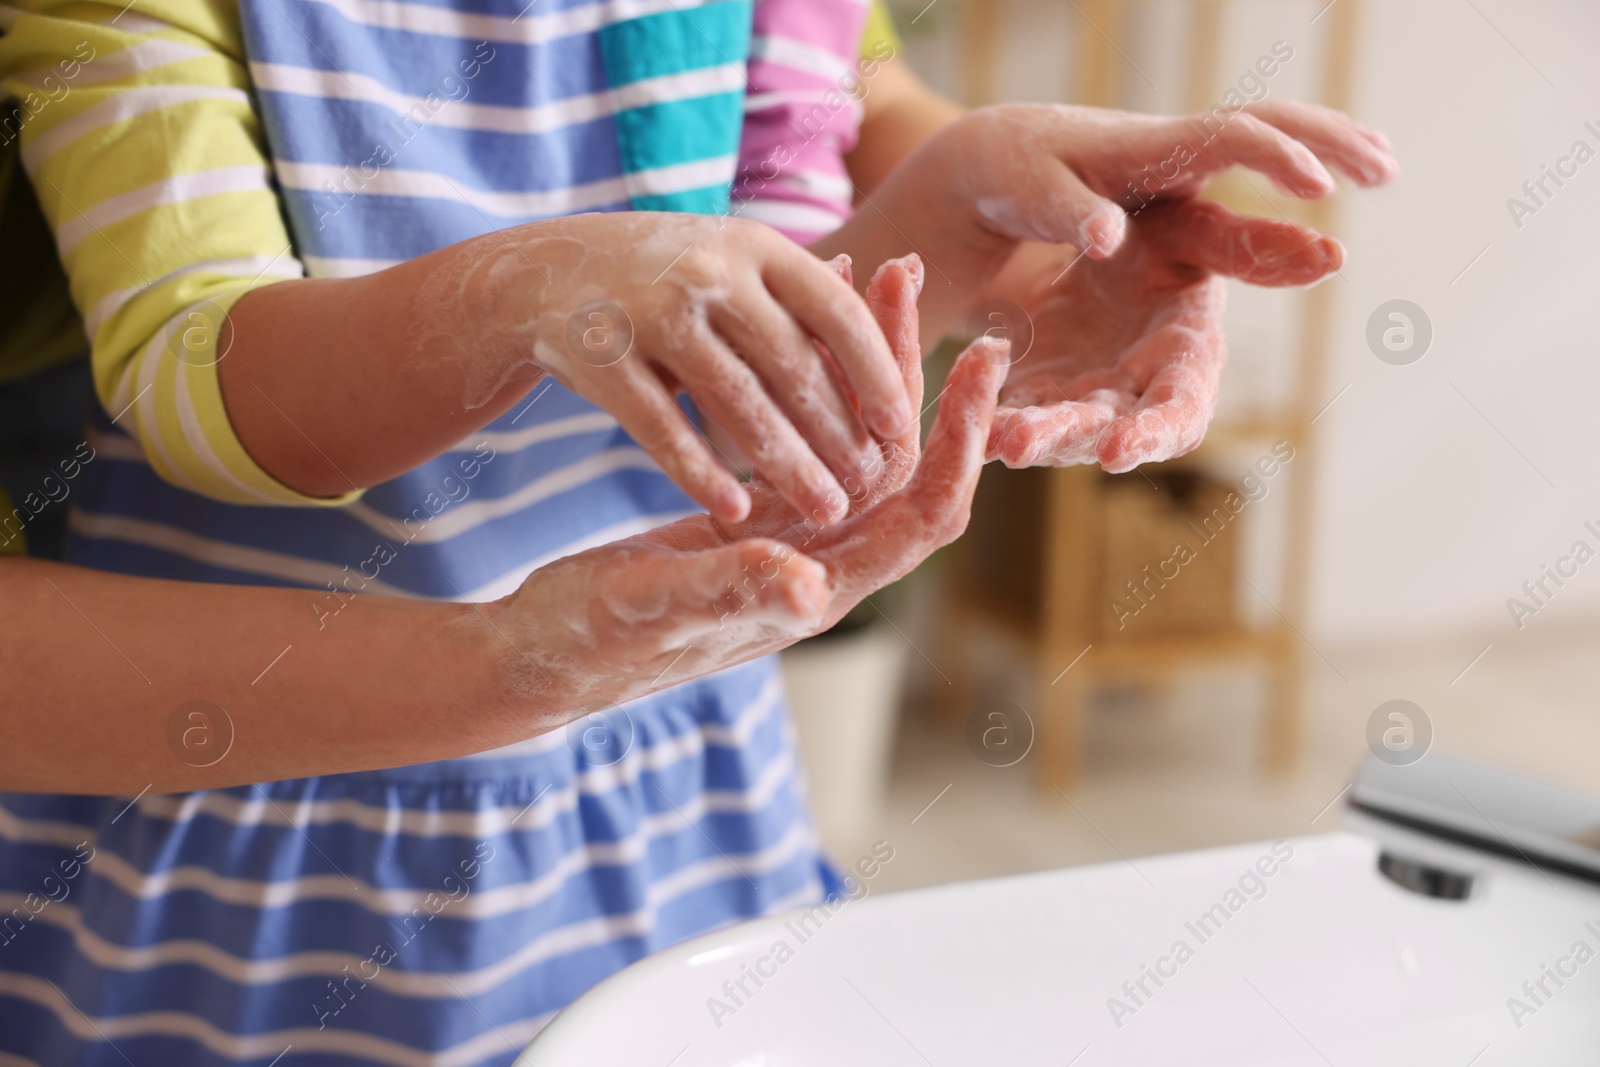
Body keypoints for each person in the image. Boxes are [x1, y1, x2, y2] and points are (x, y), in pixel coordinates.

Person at [0, 0, 1395, 1057]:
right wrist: (517, 292)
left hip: (682, 784)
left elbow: (861, 161)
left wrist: (1038, 240)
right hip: (274, 836)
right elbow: (202, 377)